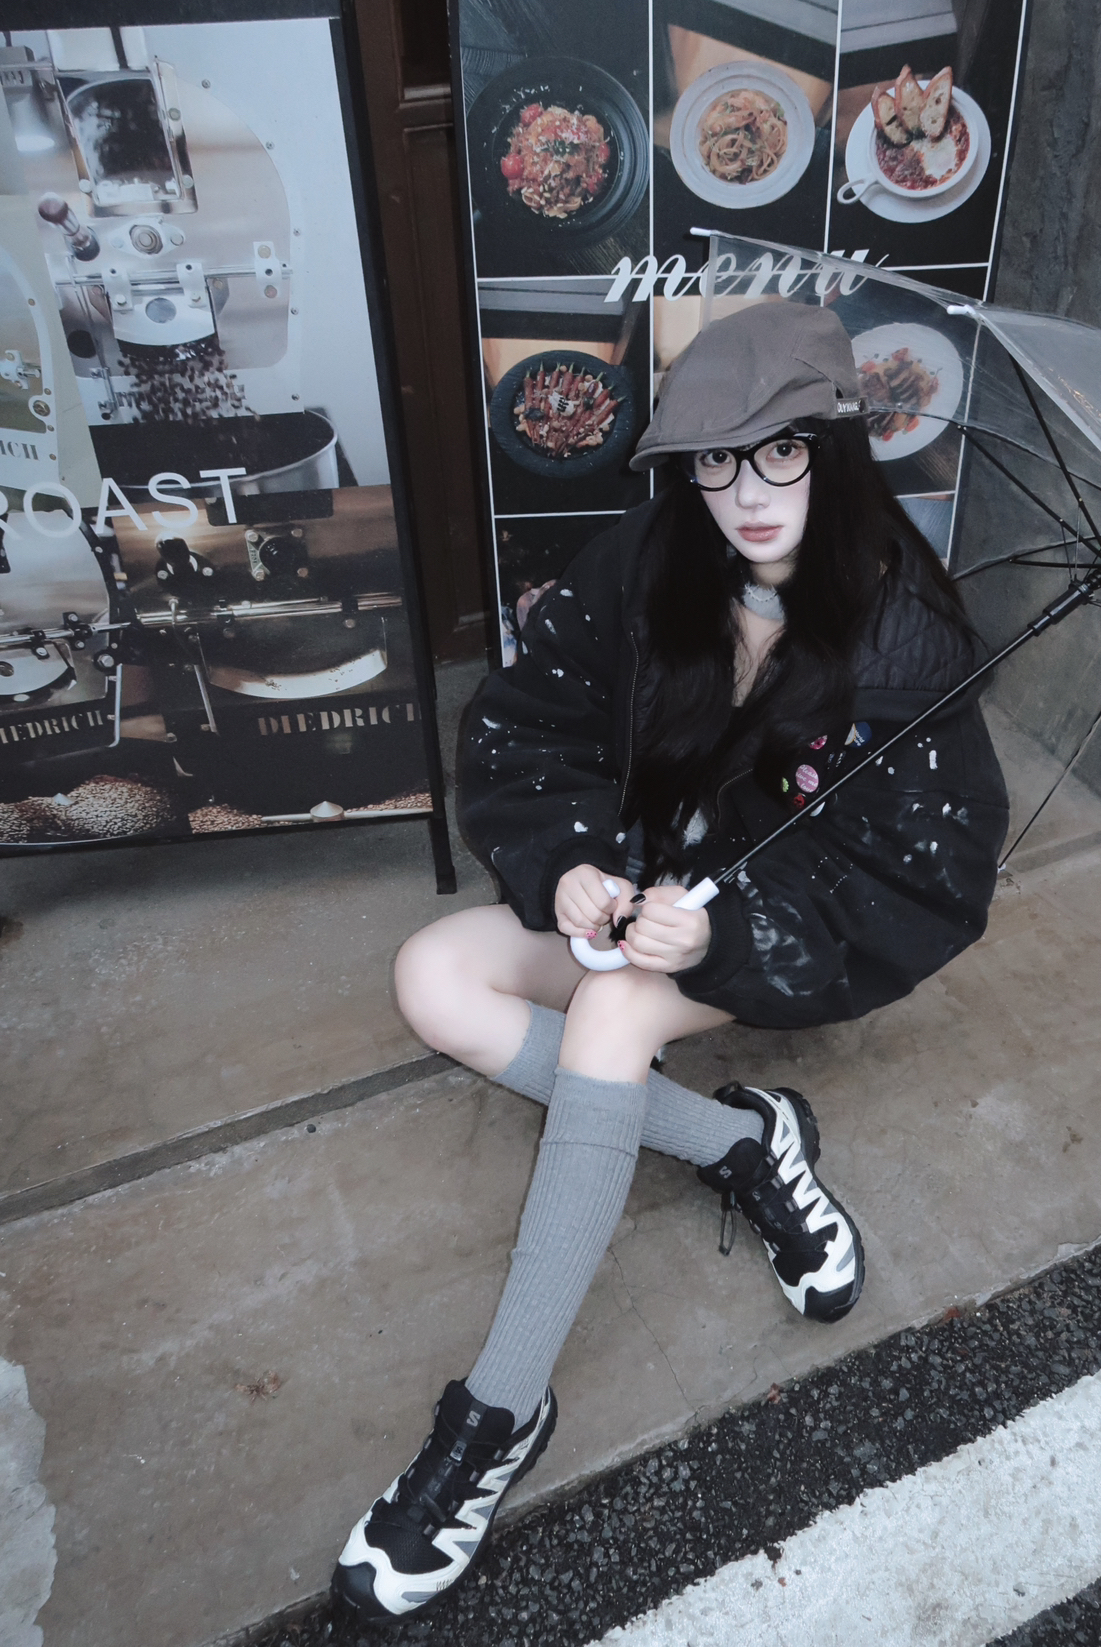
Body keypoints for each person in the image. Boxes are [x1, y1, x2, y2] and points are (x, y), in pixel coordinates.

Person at [332, 301, 1009, 1622]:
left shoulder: (905, 639)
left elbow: (916, 879)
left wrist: (723, 929)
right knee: (434, 979)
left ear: (835, 449)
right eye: (715, 460)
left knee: (609, 1024)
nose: (745, 495)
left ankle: (496, 1417)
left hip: (740, 926)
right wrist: (569, 863)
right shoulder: (650, 560)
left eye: (780, 453)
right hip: (632, 885)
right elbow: (529, 725)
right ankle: (745, 1146)